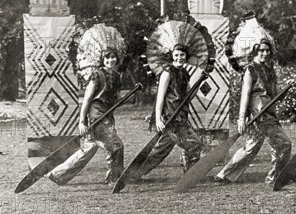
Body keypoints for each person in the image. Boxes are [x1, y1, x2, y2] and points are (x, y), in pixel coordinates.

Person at [215, 39, 292, 184]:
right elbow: (245, 94)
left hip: (268, 112)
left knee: (250, 148)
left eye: (267, 50)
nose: (265, 53)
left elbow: (276, 95)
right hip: (258, 114)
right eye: (261, 50)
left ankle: (224, 175)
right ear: (255, 51)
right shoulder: (251, 70)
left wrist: (286, 89)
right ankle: (275, 177)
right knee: (283, 144)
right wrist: (241, 118)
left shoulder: (269, 70)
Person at [47, 49, 124, 185]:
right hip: (97, 116)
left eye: (113, 57)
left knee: (89, 147)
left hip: (107, 115)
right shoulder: (97, 75)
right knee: (116, 145)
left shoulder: (117, 76)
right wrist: (82, 122)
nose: (110, 60)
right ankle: (114, 177)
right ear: (102, 59)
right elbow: (87, 99)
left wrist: (128, 97)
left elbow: (117, 99)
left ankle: (58, 174)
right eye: (107, 57)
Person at [136, 45, 204, 178]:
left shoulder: (184, 74)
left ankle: (136, 174)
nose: (179, 58)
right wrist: (158, 118)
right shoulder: (167, 73)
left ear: (186, 56)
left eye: (182, 55)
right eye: (177, 55)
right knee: (192, 145)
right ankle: (190, 174)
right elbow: (160, 97)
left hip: (181, 117)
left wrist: (199, 83)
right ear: (172, 56)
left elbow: (188, 97)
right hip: (170, 118)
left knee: (161, 151)